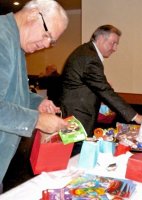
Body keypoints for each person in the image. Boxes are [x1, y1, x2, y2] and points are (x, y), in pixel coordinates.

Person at [0, 0, 69, 193]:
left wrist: (38, 103)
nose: (47, 44)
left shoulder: (15, 42)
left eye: (52, 41)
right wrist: (37, 120)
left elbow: (14, 94)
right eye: (47, 35)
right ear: (33, 14)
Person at [59, 24, 142, 140]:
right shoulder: (90, 58)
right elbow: (104, 90)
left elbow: (94, 87)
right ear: (101, 39)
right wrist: (136, 116)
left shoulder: (87, 52)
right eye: (113, 43)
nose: (115, 48)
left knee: (75, 152)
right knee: (75, 152)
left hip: (76, 114)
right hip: (77, 117)